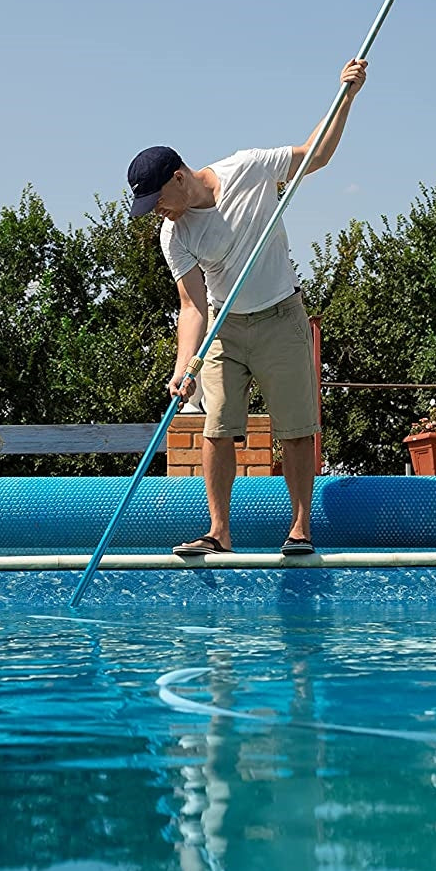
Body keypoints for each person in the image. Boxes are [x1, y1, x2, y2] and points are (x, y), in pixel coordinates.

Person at [126, 57, 368, 557]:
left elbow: (314, 155)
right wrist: (183, 367)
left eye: (159, 201)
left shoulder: (247, 169)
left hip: (281, 317)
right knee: (216, 429)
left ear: (178, 177)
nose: (159, 214)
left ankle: (300, 529)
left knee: (296, 428)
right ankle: (219, 533)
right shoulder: (175, 234)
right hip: (224, 330)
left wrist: (346, 96)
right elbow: (192, 306)